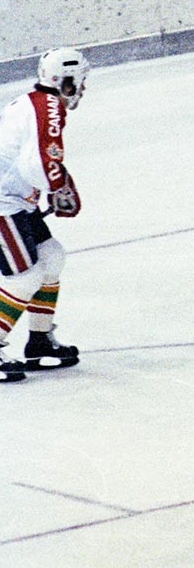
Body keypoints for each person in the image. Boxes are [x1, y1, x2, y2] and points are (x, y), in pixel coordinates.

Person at [0, 49, 90, 383]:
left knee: (51, 256)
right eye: (79, 81)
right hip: (3, 204)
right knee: (24, 277)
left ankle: (39, 340)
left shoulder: (33, 102)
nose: (81, 89)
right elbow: (35, 162)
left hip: (14, 200)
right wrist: (56, 188)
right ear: (65, 80)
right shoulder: (49, 108)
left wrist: (57, 183)